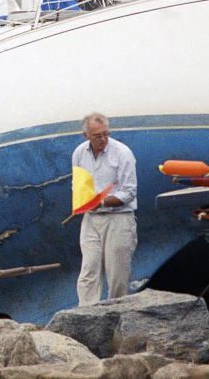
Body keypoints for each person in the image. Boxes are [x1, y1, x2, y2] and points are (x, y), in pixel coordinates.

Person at [72, 112, 137, 306]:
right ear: (86, 136)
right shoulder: (79, 153)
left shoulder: (122, 152)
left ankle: (115, 321)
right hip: (91, 219)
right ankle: (86, 315)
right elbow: (77, 184)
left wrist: (101, 202)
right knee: (88, 271)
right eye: (97, 135)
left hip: (119, 218)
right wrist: (82, 201)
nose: (103, 139)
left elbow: (129, 192)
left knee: (117, 276)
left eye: (106, 134)